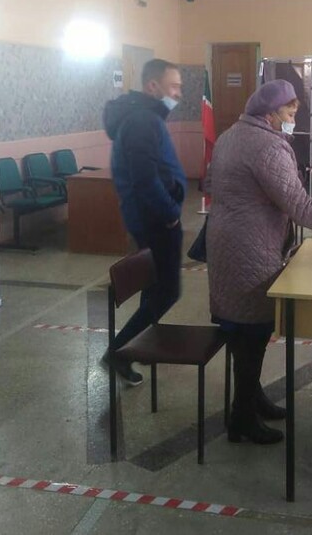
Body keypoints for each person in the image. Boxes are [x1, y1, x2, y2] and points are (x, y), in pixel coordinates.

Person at [207, 79, 312, 445]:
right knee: (252, 330)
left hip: (226, 240)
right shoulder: (267, 146)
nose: (292, 117)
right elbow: (300, 206)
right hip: (249, 246)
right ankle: (242, 418)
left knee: (242, 330)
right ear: (269, 113)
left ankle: (251, 398)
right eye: (289, 110)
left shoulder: (230, 135)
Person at [102, 58, 186, 384]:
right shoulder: (141, 121)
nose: (178, 93)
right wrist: (169, 215)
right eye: (174, 86)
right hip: (156, 222)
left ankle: (136, 346)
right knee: (167, 292)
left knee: (154, 289)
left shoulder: (145, 117)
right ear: (153, 86)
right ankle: (119, 352)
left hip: (152, 218)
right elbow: (145, 178)